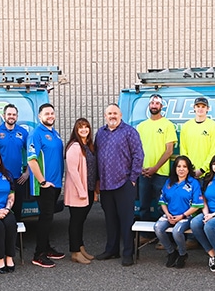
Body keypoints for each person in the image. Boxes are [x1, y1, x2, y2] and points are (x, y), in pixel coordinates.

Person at [95, 104, 144, 266]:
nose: (112, 116)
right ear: (105, 116)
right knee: (110, 219)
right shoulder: (100, 133)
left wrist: (133, 178)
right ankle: (111, 250)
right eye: (109, 113)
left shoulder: (130, 132)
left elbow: (138, 155)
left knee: (126, 220)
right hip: (105, 184)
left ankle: (128, 252)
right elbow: (96, 156)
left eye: (115, 113)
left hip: (124, 183)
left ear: (121, 115)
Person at [26, 103, 66, 268]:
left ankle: (47, 248)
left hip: (55, 184)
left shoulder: (54, 133)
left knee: (49, 218)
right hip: (44, 185)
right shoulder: (36, 134)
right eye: (46, 113)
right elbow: (31, 160)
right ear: (39, 116)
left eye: (52, 113)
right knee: (45, 218)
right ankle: (39, 255)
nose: (50, 116)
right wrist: (42, 181)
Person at [0, 103, 30, 223]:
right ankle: (0, 232)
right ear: (4, 116)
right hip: (0, 178)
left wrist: (27, 172)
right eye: (9, 114)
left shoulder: (23, 132)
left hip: (18, 178)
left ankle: (16, 234)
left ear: (17, 116)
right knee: (0, 207)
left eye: (14, 114)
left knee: (17, 209)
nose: (11, 116)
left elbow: (32, 153)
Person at [153, 156, 203, 268]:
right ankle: (171, 252)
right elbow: (163, 201)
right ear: (175, 168)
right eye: (178, 166)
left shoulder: (193, 183)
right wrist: (167, 214)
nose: (181, 169)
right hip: (170, 214)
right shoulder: (169, 182)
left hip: (186, 216)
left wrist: (182, 216)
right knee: (157, 228)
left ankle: (182, 254)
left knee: (176, 232)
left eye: (184, 166)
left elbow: (197, 205)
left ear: (189, 169)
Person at [136, 94, 176, 222]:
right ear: (149, 105)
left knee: (162, 206)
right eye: (152, 103)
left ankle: (161, 232)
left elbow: (169, 151)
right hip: (144, 172)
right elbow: (136, 149)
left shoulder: (168, 125)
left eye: (157, 103)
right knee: (143, 205)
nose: (154, 106)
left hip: (161, 173)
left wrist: (155, 168)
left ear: (161, 106)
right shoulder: (141, 126)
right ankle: (144, 232)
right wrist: (140, 168)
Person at [63, 118, 98, 265]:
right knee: (76, 221)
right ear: (76, 130)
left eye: (86, 127)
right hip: (78, 192)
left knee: (81, 220)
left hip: (88, 189)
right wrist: (81, 191)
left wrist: (93, 190)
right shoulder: (75, 146)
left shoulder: (88, 146)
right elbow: (73, 171)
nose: (84, 130)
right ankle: (75, 252)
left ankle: (81, 247)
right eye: (80, 127)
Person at [180, 96, 215, 177]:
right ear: (194, 108)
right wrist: (188, 167)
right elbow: (183, 150)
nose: (200, 109)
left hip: (207, 173)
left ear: (207, 108)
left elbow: (214, 151)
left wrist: (203, 169)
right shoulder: (186, 126)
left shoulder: (214, 126)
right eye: (198, 106)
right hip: (189, 172)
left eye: (203, 106)